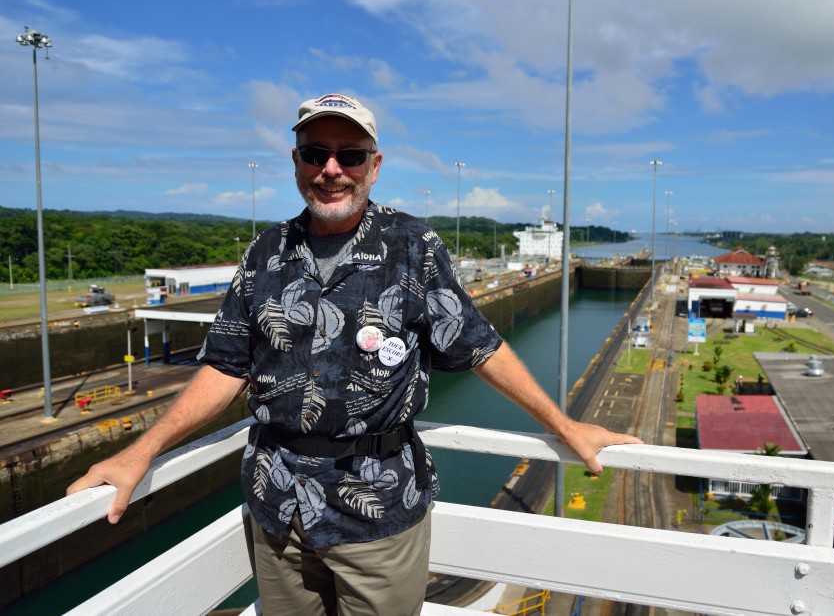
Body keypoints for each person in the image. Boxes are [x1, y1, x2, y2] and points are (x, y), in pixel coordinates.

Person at [67, 92, 642, 616]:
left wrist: (564, 425)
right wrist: (140, 451)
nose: (332, 170)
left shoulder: (412, 247)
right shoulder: (265, 252)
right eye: (316, 154)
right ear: (296, 161)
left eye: (351, 155)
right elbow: (224, 365)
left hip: (378, 513)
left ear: (375, 164)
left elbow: (477, 347)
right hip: (277, 507)